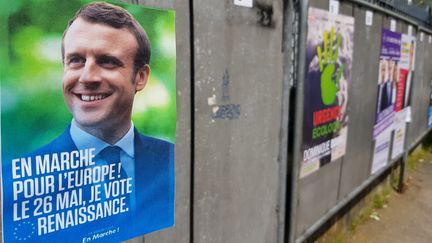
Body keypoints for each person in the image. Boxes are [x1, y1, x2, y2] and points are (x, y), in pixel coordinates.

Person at [2, 2, 174, 242]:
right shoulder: (14, 184)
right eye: (75, 60)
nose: (87, 77)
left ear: (141, 77)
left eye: (107, 61)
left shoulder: (172, 162)